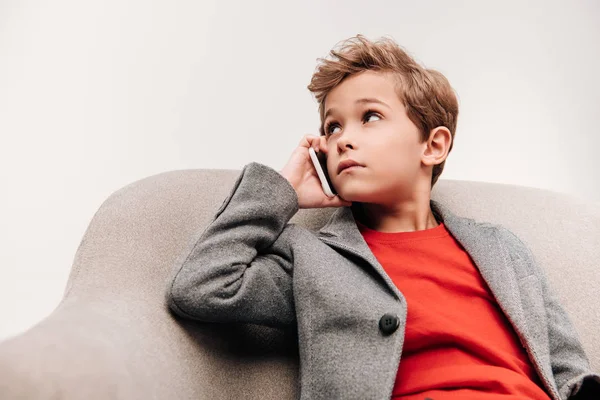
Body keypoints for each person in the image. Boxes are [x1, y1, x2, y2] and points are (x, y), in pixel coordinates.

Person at [165, 34, 599, 399]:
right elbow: (201, 287)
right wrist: (280, 192)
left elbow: (568, 371)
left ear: (433, 146)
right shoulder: (312, 258)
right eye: (332, 127)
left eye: (369, 117)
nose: (342, 140)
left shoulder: (503, 248)